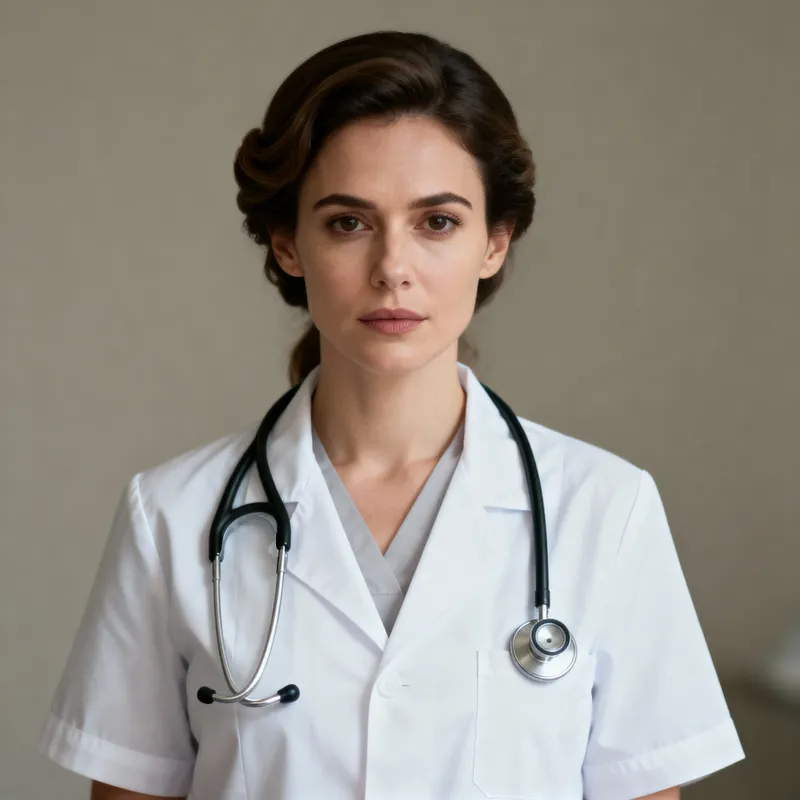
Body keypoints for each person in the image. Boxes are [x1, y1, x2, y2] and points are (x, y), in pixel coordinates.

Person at [38, 30, 745, 800]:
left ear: (495, 242)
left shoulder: (605, 511)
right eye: (348, 222)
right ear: (287, 244)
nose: (393, 269)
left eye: (437, 221)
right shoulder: (172, 517)